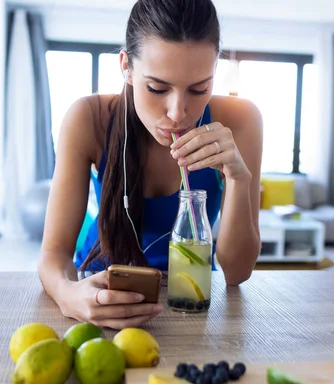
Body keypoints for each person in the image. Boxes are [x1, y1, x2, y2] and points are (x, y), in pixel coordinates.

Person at [39, 0, 262, 329]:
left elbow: (237, 272)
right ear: (126, 66)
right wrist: (70, 296)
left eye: (199, 89)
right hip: (101, 290)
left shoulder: (240, 121)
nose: (177, 113)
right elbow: (53, 255)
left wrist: (238, 178)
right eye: (157, 88)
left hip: (191, 298)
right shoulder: (88, 119)